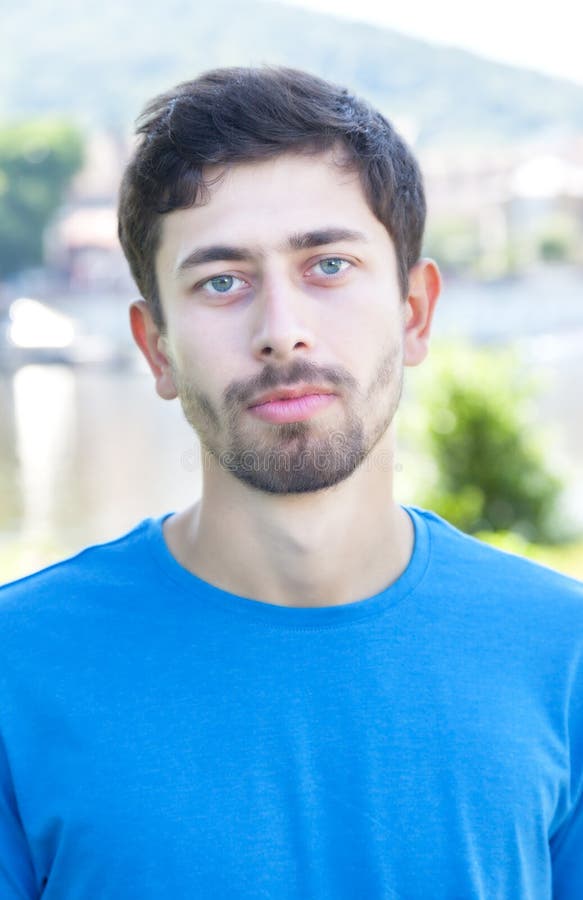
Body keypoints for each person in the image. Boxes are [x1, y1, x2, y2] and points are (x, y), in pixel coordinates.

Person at [0, 66, 582, 900]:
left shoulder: (563, 657)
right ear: (156, 347)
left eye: (329, 266)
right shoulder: (16, 672)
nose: (283, 333)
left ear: (413, 312)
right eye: (222, 282)